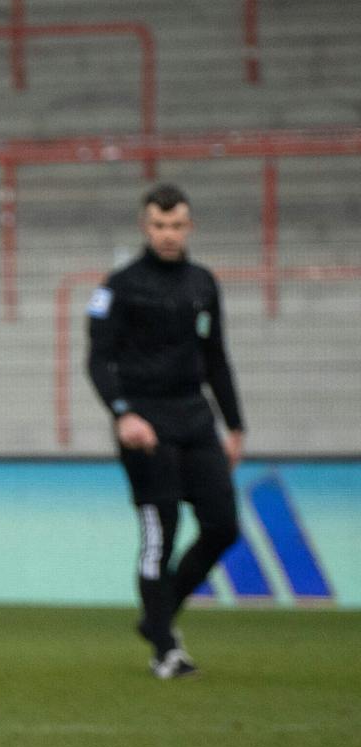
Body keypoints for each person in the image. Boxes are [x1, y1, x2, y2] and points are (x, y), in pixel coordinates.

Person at [86, 183, 244, 679]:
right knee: (163, 531)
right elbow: (98, 361)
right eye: (159, 225)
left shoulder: (203, 283)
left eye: (177, 225)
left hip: (196, 419)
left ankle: (157, 618)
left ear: (189, 226)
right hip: (145, 424)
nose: (169, 234)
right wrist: (122, 413)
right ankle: (165, 650)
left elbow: (215, 356)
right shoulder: (119, 287)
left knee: (223, 527)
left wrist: (235, 424)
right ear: (145, 226)